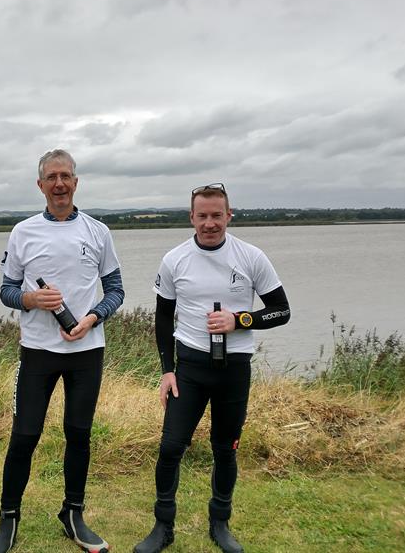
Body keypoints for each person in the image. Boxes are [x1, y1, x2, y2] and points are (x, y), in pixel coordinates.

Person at [133, 183, 290, 553]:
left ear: (228, 215)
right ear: (191, 217)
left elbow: (281, 310)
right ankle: (162, 526)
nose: (209, 223)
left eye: (216, 215)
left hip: (234, 368)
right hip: (188, 367)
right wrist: (166, 370)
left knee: (226, 448)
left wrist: (241, 320)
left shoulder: (251, 257)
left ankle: (220, 524)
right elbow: (162, 318)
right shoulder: (175, 259)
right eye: (202, 216)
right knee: (171, 447)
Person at [0, 149, 125, 553]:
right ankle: (8, 520)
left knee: (78, 434)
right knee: (24, 435)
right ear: (40, 185)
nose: (59, 184)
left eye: (66, 176)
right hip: (38, 352)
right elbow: (7, 291)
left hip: (86, 351)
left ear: (76, 183)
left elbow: (116, 290)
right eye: (52, 177)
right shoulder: (23, 231)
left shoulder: (98, 231)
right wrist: (31, 299)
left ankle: (74, 514)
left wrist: (92, 318)